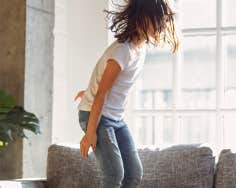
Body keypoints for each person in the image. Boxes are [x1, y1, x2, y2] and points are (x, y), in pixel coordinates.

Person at [74, 0, 179, 187]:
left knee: (134, 173)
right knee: (114, 173)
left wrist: (89, 90)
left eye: (161, 21)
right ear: (140, 19)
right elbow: (101, 94)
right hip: (96, 115)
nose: (160, 27)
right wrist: (90, 134)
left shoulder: (141, 48)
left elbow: (111, 84)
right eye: (155, 21)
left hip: (115, 118)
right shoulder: (122, 51)